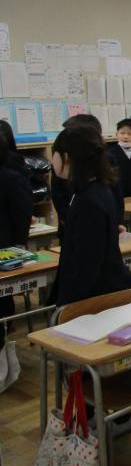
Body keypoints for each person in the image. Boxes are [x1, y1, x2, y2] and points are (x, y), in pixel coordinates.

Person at [50, 125, 131, 306]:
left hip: (96, 298)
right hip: (101, 289)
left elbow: (86, 264)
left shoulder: (88, 199)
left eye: (53, 154)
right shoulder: (95, 188)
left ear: (66, 157)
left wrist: (67, 306)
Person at [0, 134, 33, 348]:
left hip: (5, 247)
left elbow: (22, 213)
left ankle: (5, 333)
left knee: (3, 297)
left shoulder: (11, 178)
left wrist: (19, 245)